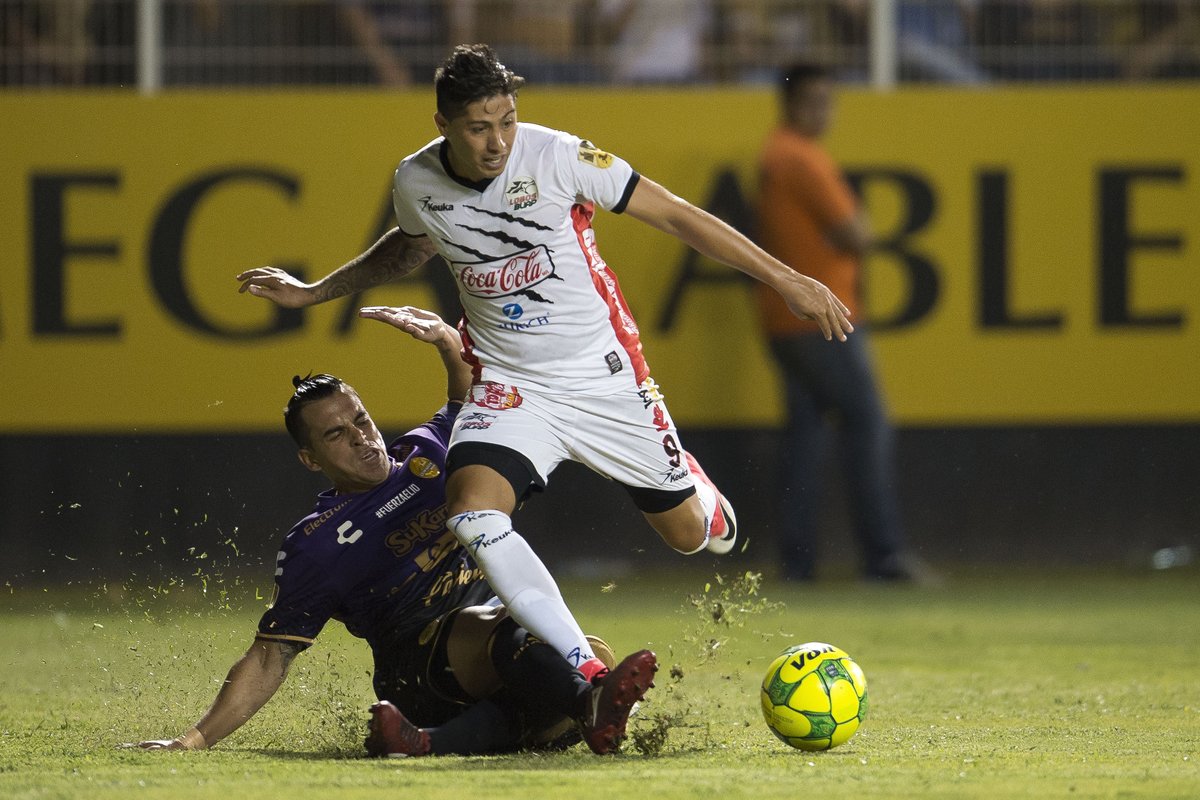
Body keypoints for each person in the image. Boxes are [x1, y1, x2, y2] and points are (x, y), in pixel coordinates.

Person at [235, 44, 853, 683]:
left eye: (506, 120)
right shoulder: (415, 181)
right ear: (443, 123)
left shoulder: (559, 155)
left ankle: (698, 493)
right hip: (510, 384)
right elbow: (411, 246)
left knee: (689, 536)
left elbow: (675, 214)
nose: (498, 140)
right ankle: (583, 665)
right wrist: (315, 292)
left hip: (602, 377)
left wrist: (787, 280)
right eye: (479, 127)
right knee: (472, 512)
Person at [126, 306, 657, 757]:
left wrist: (449, 343)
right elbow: (270, 655)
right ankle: (574, 705)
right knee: (546, 649)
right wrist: (191, 741)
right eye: (336, 434)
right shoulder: (318, 542)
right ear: (311, 460)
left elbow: (471, 403)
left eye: (360, 419)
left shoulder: (428, 453)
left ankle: (433, 741)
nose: (361, 438)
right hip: (418, 675)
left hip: (496, 651)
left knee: (583, 654)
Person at [754, 61, 922, 583]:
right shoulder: (800, 157)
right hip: (823, 319)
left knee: (806, 436)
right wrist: (844, 237)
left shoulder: (775, 155)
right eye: (814, 101)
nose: (823, 111)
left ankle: (798, 561)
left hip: (787, 320)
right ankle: (884, 555)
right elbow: (858, 233)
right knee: (867, 424)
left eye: (828, 100)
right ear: (791, 104)